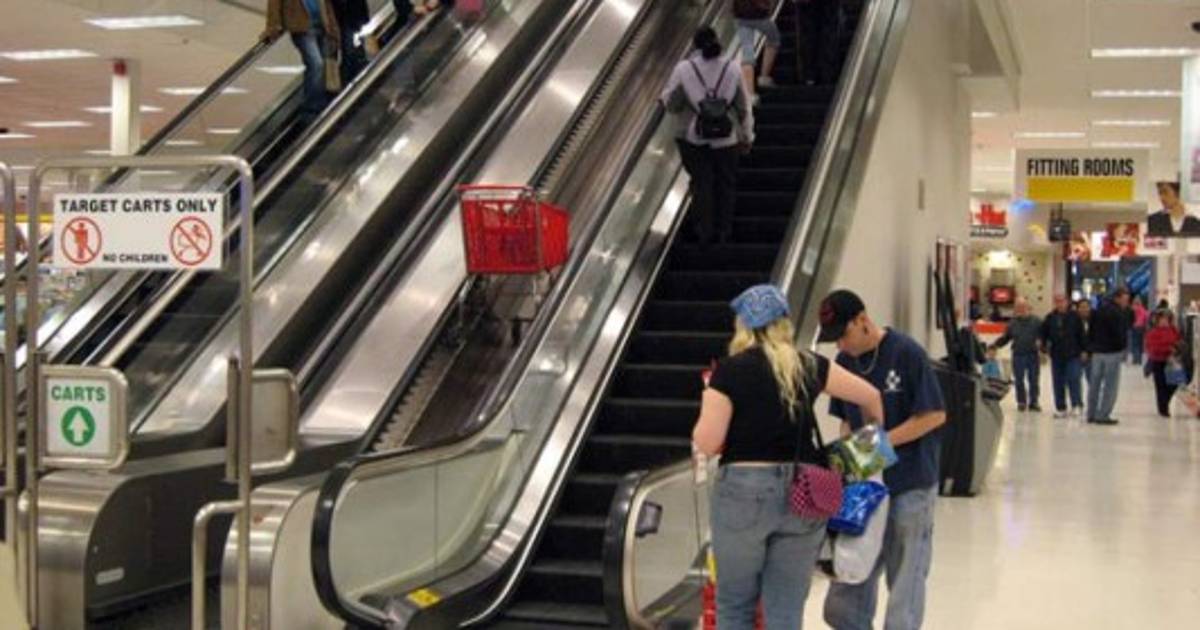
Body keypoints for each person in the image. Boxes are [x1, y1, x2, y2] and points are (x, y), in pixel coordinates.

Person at [692, 285, 884, 630]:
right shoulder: (810, 364)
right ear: (784, 323)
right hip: (805, 494)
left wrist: (710, 400)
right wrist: (866, 443)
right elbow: (871, 396)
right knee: (785, 612)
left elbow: (707, 443)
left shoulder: (729, 372)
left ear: (743, 326)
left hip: (744, 493)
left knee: (735, 606)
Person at [817, 289, 947, 630]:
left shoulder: (907, 353)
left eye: (843, 335)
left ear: (862, 320)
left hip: (911, 481)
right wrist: (850, 455)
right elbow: (845, 420)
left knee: (906, 574)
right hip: (865, 486)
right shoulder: (844, 362)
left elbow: (934, 415)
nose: (840, 345)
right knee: (848, 586)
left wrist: (880, 446)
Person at [662, 27, 754, 246]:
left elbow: (672, 105)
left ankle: (704, 232)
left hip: (694, 137)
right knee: (726, 183)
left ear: (694, 45)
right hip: (727, 137)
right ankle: (724, 231)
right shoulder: (732, 67)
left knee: (702, 183)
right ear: (718, 41)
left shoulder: (684, 69)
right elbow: (743, 106)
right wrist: (748, 135)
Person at [264, 0, 341, 124]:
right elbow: (274, 3)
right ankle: (312, 109)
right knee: (316, 64)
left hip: (322, 25)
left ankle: (322, 104)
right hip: (302, 27)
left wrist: (334, 28)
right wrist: (273, 26)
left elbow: (327, 4)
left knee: (323, 66)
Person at [1087, 288, 1131, 425]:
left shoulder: (1098, 311)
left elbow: (1091, 330)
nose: (1126, 303)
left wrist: (1091, 347)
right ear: (1117, 298)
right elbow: (1120, 333)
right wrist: (1122, 347)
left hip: (1097, 352)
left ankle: (1091, 413)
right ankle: (1103, 415)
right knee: (1110, 385)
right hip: (1112, 352)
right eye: (1124, 299)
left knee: (1094, 384)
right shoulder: (1118, 313)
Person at [990, 297, 1043, 412]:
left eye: (1023, 306)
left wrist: (1042, 345)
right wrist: (995, 346)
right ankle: (1021, 402)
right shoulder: (1012, 323)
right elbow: (1006, 338)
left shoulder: (1037, 322)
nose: (1021, 309)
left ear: (1028, 307)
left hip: (1032, 354)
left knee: (1034, 379)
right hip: (1018, 355)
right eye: (1018, 307)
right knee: (1019, 379)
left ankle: (1034, 402)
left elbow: (1044, 336)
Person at [1041, 295, 1086, 418]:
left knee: (1073, 379)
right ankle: (1061, 407)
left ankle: (1076, 405)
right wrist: (1043, 347)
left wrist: (1084, 350)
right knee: (1058, 382)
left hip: (1073, 354)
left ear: (1067, 302)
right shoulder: (1050, 318)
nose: (1060, 304)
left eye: (1062, 301)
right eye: (1057, 301)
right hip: (1057, 355)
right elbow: (1043, 334)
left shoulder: (1075, 317)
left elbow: (1081, 334)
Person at [732, 0, 780, 105]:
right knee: (773, 38)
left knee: (747, 51)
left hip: (740, 15)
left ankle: (750, 94)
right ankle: (763, 77)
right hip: (759, 15)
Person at [1144, 311, 1182, 417]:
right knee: (1160, 385)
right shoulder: (1153, 333)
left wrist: (1177, 349)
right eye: (1162, 319)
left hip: (1172, 360)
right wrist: (1167, 349)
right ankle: (1163, 409)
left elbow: (1179, 342)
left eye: (1166, 319)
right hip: (1158, 360)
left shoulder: (1174, 330)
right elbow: (1151, 348)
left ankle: (1165, 402)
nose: (1164, 321)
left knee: (1175, 382)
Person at [334, 0, 370, 83]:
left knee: (353, 50)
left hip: (353, 15)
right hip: (346, 17)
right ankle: (350, 78)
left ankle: (354, 76)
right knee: (349, 51)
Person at [1076, 299, 1093, 387]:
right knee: (1075, 382)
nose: (1084, 309)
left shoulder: (1095, 321)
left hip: (1092, 356)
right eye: (1082, 307)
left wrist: (1088, 352)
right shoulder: (1073, 321)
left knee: (1093, 381)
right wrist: (1081, 352)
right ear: (1078, 309)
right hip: (1076, 356)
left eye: (1086, 307)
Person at [1129, 296, 1148, 365]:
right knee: (1140, 344)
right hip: (1141, 328)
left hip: (1135, 327)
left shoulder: (1133, 309)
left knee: (1135, 344)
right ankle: (1139, 360)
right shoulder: (1143, 310)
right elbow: (1146, 318)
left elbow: (1130, 318)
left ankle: (1135, 360)